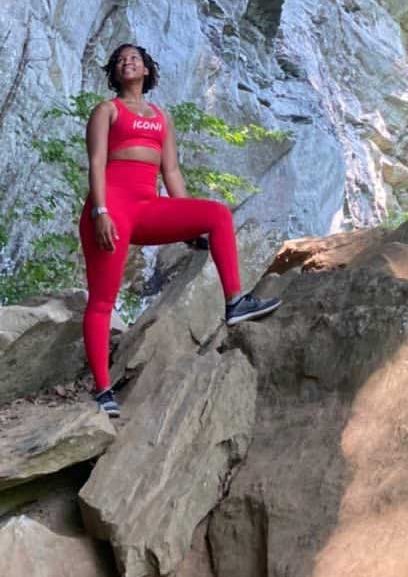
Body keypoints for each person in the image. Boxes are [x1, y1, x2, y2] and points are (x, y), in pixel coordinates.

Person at [79, 43, 282, 417]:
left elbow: (170, 171)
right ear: (115, 71)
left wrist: (183, 216)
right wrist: (100, 211)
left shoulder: (160, 116)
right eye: (121, 59)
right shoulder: (107, 111)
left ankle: (235, 302)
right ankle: (103, 389)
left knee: (217, 214)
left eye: (134, 58)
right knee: (102, 301)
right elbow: (95, 162)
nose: (128, 62)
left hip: (148, 207)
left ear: (147, 69)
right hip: (111, 209)